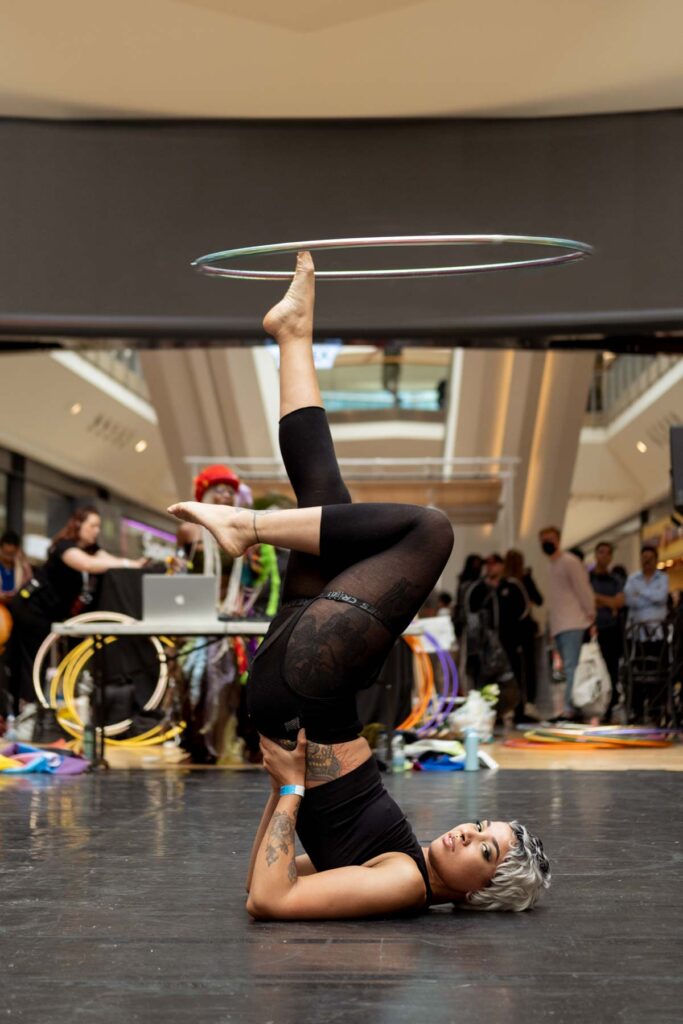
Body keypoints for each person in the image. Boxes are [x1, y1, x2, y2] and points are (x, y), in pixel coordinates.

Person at [169, 252, 550, 920]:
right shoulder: (395, 858)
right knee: (324, 499)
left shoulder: (404, 881)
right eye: (485, 827)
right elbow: (271, 879)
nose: (467, 832)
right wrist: (284, 785)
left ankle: (244, 524)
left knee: (428, 532)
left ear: (476, 892)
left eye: (482, 853)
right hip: (298, 695)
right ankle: (293, 335)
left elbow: (268, 899)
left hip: (308, 692)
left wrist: (289, 790)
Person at [8, 506, 145, 711]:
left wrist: (134, 564)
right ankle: (27, 712)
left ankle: (29, 709)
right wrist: (129, 563)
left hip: (48, 615)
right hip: (31, 609)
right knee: (31, 662)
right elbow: (88, 565)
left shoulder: (91, 549)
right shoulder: (65, 547)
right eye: (92, 525)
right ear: (78, 524)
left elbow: (108, 561)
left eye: (99, 526)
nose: (96, 530)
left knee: (36, 662)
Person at [539, 525, 595, 721]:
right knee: (567, 668)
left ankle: (571, 708)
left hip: (573, 622)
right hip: (560, 625)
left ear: (559, 539)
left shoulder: (570, 562)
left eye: (550, 538)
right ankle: (570, 706)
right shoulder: (551, 566)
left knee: (572, 667)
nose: (547, 542)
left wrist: (591, 614)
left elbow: (583, 589)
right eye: (544, 539)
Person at [502, 549, 543, 720]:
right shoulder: (523, 581)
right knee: (526, 669)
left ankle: (516, 706)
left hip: (508, 635)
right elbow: (539, 600)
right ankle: (525, 705)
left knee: (514, 670)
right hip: (523, 633)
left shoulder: (503, 584)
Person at [589, 541, 625, 722]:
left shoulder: (615, 580)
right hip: (592, 631)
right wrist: (608, 602)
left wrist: (599, 599)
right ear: (596, 555)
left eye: (607, 553)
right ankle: (589, 706)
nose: (604, 556)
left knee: (611, 670)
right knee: (592, 670)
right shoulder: (588, 578)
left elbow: (618, 603)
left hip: (611, 630)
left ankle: (609, 707)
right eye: (600, 552)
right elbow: (588, 600)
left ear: (611, 556)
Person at [0, 530, 32, 604]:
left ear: (17, 550)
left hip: (16, 606)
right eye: (5, 553)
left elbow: (29, 588)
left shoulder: (23, 567)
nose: (8, 558)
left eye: (11, 554)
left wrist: (19, 596)